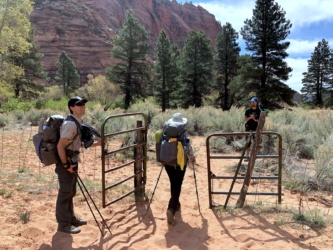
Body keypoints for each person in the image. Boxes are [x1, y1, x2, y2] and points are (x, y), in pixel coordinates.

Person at [56, 96, 101, 234]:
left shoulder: (76, 123)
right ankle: (63, 225)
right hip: (67, 162)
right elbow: (60, 146)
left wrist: (97, 144)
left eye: (83, 104)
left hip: (72, 160)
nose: (83, 106)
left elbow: (76, 144)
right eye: (79, 104)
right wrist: (65, 165)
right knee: (65, 193)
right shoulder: (70, 124)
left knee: (71, 191)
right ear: (71, 108)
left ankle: (71, 219)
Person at [163, 113, 195, 226]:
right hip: (180, 162)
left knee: (173, 183)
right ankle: (171, 209)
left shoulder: (166, 130)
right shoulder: (183, 132)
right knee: (178, 185)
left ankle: (176, 205)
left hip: (167, 161)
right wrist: (192, 157)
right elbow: (187, 147)